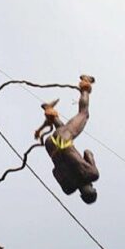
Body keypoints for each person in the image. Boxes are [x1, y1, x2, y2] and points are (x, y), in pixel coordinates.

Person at [34, 75, 99, 204]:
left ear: (92, 187)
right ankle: (50, 112)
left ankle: (85, 85)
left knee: (84, 114)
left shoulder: (92, 174)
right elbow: (55, 172)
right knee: (63, 133)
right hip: (51, 147)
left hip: (64, 140)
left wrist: (83, 162)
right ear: (81, 195)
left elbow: (88, 152)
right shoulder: (68, 188)